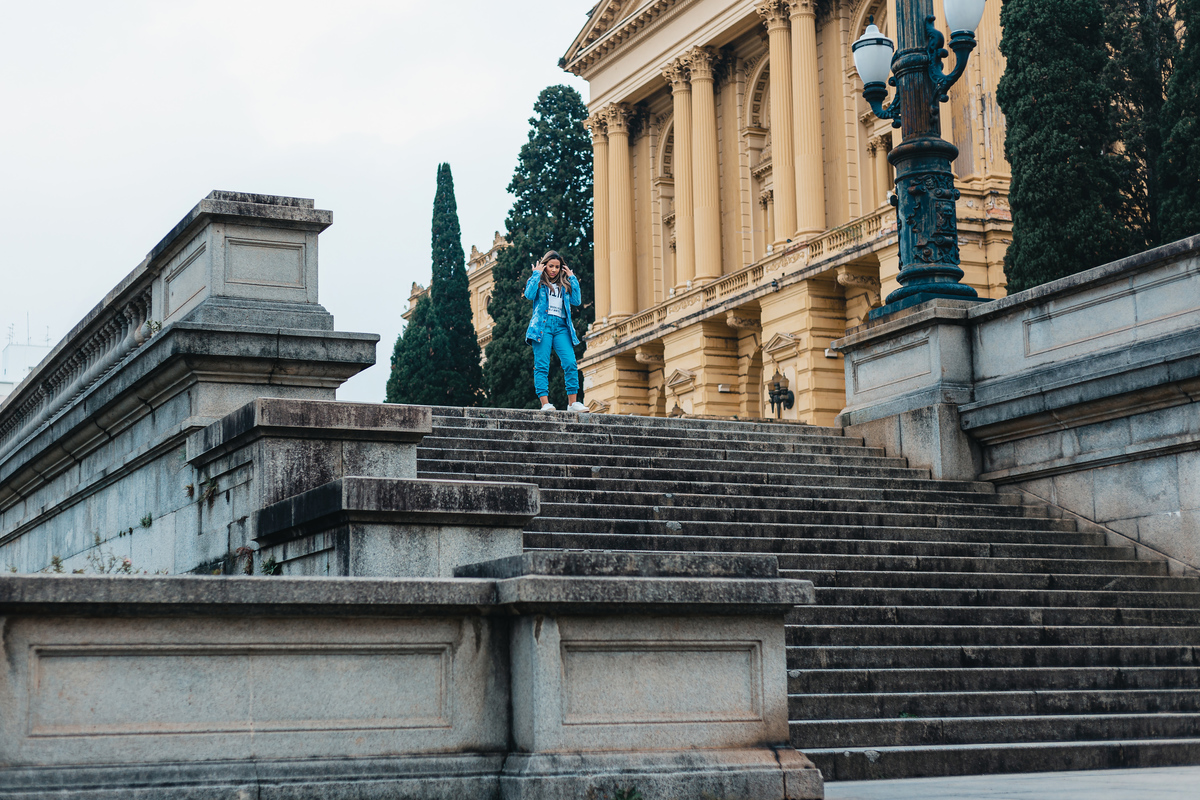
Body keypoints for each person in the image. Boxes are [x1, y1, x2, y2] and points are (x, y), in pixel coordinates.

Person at [524, 250, 587, 412]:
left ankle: (572, 403)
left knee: (571, 363)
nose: (553, 270)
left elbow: (577, 301)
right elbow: (529, 295)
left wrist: (572, 278)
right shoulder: (538, 283)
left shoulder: (564, 286)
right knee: (542, 366)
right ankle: (545, 403)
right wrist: (536, 274)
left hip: (561, 327)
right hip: (542, 327)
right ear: (545, 266)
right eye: (550, 266)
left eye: (557, 267)